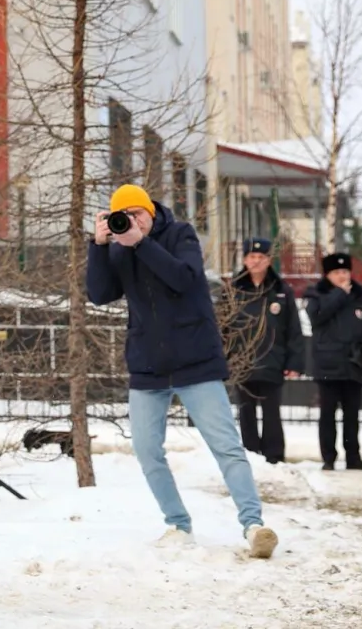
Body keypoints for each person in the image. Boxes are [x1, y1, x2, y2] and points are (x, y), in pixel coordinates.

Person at [87, 183, 277, 558]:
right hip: (147, 365)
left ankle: (253, 526)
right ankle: (178, 524)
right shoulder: (118, 248)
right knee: (146, 450)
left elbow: (184, 278)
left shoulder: (180, 234)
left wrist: (142, 242)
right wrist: (98, 246)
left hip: (195, 361)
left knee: (226, 446)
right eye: (122, 215)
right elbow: (99, 293)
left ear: (151, 212)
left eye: (137, 213)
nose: (131, 221)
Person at [226, 237, 303, 464]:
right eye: (252, 257)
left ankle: (274, 457)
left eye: (261, 257)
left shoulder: (281, 290)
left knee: (272, 413)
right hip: (242, 363)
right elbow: (222, 328)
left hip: (272, 361)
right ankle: (250, 454)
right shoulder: (233, 289)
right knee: (246, 412)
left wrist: (293, 363)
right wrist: (226, 359)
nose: (257, 261)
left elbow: (293, 329)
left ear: (269, 260)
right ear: (244, 260)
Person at [304, 251, 362, 470]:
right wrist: (339, 294)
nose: (342, 276)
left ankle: (353, 457)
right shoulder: (316, 294)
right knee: (327, 414)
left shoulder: (360, 295)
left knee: (352, 415)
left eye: (345, 271)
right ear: (328, 274)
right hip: (327, 364)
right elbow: (317, 317)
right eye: (336, 272)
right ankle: (329, 457)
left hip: (353, 363)